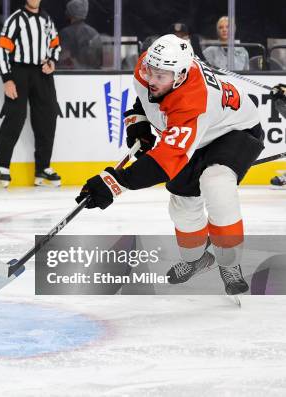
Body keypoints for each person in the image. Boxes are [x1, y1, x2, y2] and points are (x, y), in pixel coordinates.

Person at [77, 34, 265, 296]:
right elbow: (145, 99)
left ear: (179, 76)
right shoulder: (150, 67)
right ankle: (196, 258)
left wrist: (115, 183)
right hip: (193, 137)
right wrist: (140, 125)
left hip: (233, 131)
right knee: (182, 202)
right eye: (150, 71)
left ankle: (230, 263)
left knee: (217, 183)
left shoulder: (194, 100)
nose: (151, 79)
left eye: (160, 76)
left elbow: (166, 162)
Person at [0, 0, 61, 187]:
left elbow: (55, 43)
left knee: (47, 117)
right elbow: (1, 51)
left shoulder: (47, 19)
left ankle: (43, 168)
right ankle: (3, 167)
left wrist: (52, 61)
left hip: (42, 72)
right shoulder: (15, 19)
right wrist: (7, 78)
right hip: (19, 72)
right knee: (15, 117)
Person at [58, 0, 102, 70]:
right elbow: (97, 62)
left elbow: (61, 59)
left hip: (69, 75)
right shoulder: (94, 33)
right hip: (92, 76)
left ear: (69, 13)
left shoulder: (65, 33)